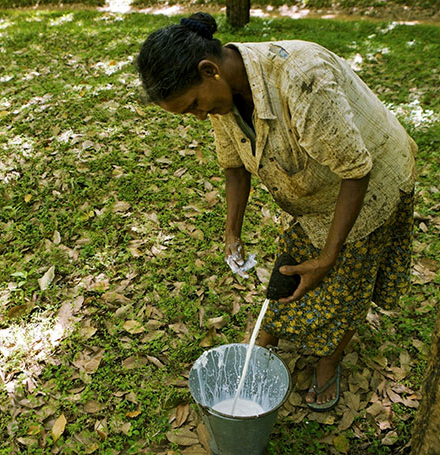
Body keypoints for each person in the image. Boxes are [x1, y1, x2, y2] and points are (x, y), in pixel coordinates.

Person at [135, 12, 416, 412]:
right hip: (309, 191)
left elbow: (356, 171)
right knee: (289, 272)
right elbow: (234, 164)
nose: (198, 115)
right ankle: (269, 335)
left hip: (368, 185)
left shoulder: (300, 77)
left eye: (194, 105)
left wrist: (329, 254)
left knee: (344, 282)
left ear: (209, 70)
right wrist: (232, 231)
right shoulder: (223, 97)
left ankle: (329, 361)